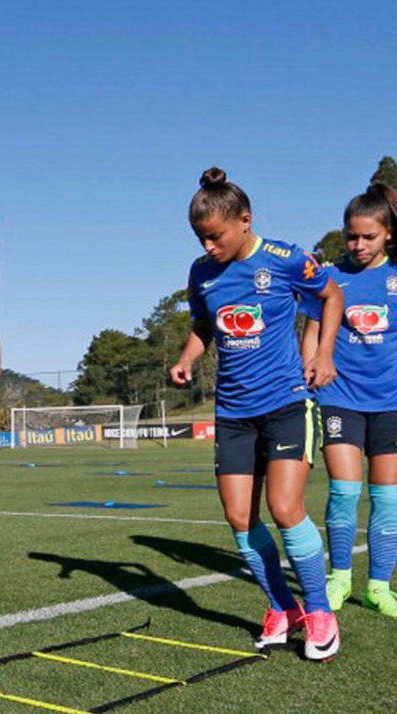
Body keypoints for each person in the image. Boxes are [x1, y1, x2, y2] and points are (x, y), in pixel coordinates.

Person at [170, 167, 344, 660]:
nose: (208, 247)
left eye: (215, 235)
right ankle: (281, 607)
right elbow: (204, 325)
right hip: (233, 413)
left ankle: (319, 614)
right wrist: (186, 358)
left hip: (287, 403)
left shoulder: (284, 259)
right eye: (200, 238)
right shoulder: (201, 273)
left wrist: (324, 354)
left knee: (286, 509)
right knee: (239, 517)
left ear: (244, 220)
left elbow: (331, 296)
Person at [301, 182, 397, 616]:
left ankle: (379, 587)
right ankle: (339, 579)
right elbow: (313, 333)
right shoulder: (331, 276)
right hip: (339, 395)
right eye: (351, 236)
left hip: (391, 401)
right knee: (343, 490)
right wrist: (309, 376)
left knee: (387, 498)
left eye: (368, 237)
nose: (358, 245)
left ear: (388, 234)